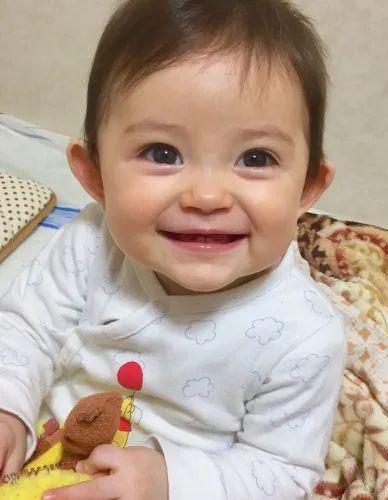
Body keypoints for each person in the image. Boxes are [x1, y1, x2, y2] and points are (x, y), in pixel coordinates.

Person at [0, 0, 347, 498]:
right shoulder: (91, 243)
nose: (206, 196)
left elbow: (282, 472)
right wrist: (9, 408)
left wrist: (171, 482)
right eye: (162, 153)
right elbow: (25, 329)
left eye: (255, 158)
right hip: (47, 451)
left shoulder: (305, 336)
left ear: (307, 188)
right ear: (95, 176)